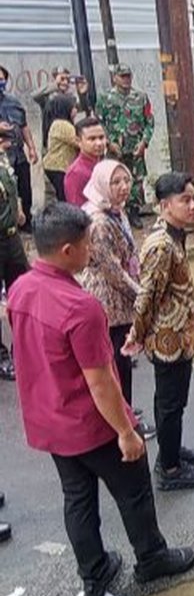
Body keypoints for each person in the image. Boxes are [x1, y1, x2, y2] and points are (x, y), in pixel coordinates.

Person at [7, 202, 194, 596]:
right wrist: (126, 432)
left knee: (77, 498)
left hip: (48, 420)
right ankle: (151, 558)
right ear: (66, 252)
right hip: (90, 423)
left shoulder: (21, 288)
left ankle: (94, 576)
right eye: (86, 244)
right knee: (133, 492)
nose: (91, 251)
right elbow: (100, 383)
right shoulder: (82, 308)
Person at [123, 172, 194, 491]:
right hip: (167, 340)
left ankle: (171, 452)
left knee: (175, 402)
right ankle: (170, 470)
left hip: (180, 335)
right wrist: (136, 334)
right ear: (164, 205)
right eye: (185, 200)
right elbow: (147, 296)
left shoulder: (175, 234)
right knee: (169, 404)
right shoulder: (160, 245)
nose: (193, 205)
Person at [81, 159, 155, 439]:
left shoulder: (113, 211)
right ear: (102, 184)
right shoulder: (99, 222)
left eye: (126, 181)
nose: (123, 187)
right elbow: (113, 272)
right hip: (109, 304)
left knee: (120, 364)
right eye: (116, 182)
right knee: (118, 366)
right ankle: (125, 425)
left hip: (119, 298)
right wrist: (143, 296)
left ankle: (124, 414)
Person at [96, 64, 154, 230]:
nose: (126, 79)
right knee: (114, 181)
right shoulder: (105, 98)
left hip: (135, 148)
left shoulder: (140, 97)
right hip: (115, 150)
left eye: (128, 76)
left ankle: (134, 212)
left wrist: (144, 142)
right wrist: (108, 142)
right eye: (122, 76)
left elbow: (149, 122)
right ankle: (116, 214)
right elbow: (99, 123)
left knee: (135, 182)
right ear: (115, 78)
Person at [0, 124, 29, 382]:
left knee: (21, 291)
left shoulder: (4, 162)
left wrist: (18, 208)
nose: (7, 144)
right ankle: (1, 357)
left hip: (11, 237)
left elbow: (12, 189)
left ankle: (21, 347)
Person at [0, 66, 38, 232]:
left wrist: (31, 148)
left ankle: (26, 223)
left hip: (18, 155)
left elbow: (24, 126)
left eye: (2, 79)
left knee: (25, 189)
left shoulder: (13, 101)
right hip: (2, 158)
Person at [32, 66, 90, 154]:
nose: (65, 82)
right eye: (62, 79)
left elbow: (83, 108)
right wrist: (55, 85)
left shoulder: (70, 98)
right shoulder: (48, 97)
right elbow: (34, 95)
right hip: (50, 142)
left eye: (67, 79)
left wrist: (82, 94)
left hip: (67, 140)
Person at [43, 93, 79, 201]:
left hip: (54, 166)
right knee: (64, 198)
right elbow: (79, 142)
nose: (76, 110)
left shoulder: (57, 123)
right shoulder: (63, 125)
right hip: (59, 167)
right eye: (74, 107)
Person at [64, 116, 106, 207]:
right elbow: (77, 211)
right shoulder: (76, 173)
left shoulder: (102, 165)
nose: (99, 143)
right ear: (78, 141)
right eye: (92, 139)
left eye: (101, 137)